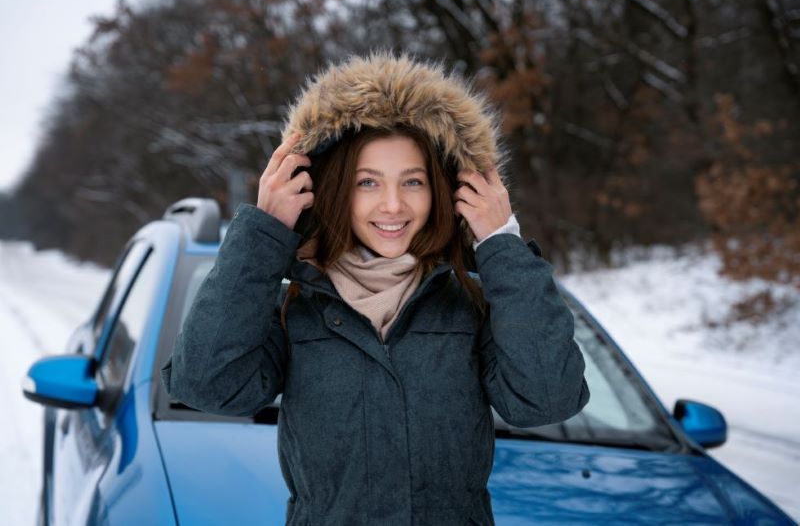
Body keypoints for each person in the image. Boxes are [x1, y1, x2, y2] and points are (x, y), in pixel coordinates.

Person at [161, 52, 590, 526]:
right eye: (367, 182)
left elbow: (548, 400)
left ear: (447, 191)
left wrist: (501, 243)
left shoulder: (474, 302)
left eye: (413, 181)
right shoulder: (295, 305)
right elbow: (206, 385)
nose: (392, 205)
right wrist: (263, 233)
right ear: (333, 189)